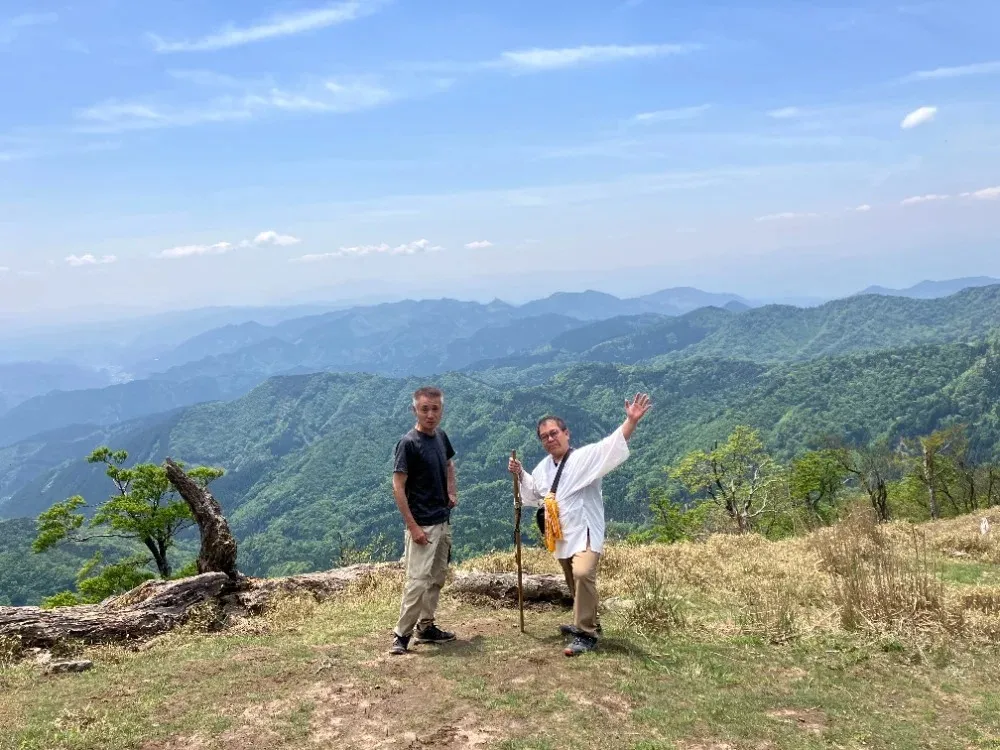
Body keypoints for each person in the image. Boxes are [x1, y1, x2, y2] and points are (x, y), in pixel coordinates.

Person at [508, 393, 652, 656]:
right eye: (545, 437)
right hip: (561, 533)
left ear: (566, 434)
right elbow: (534, 493)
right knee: (573, 580)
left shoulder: (584, 458)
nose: (550, 439)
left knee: (584, 574)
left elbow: (611, 445)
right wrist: (520, 474)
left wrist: (631, 421)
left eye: (554, 433)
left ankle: (586, 634)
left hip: (585, 530)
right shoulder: (543, 468)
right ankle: (586, 622)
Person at [389, 386, 459, 655]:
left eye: (435, 408)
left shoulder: (440, 436)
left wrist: (451, 490)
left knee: (436, 577)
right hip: (423, 524)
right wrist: (413, 526)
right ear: (414, 410)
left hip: (442, 520)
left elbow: (449, 464)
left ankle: (426, 627)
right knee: (417, 581)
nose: (430, 414)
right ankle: (401, 635)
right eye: (424, 409)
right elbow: (398, 486)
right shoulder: (408, 443)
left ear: (441, 409)